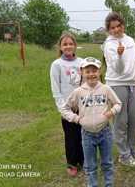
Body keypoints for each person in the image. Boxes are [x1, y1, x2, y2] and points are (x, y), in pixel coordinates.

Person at [61, 57, 121, 187]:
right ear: (82, 73)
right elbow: (64, 109)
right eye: (87, 71)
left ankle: (109, 184)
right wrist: (76, 118)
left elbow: (118, 104)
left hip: (105, 132)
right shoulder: (78, 92)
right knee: (90, 165)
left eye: (94, 70)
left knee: (107, 163)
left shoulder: (106, 89)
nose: (91, 74)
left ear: (99, 72)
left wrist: (111, 112)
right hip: (87, 134)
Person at [102, 11, 135, 166]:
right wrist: (120, 55)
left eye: (118, 26)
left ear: (123, 25)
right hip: (116, 83)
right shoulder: (109, 45)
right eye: (112, 28)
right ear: (109, 30)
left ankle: (133, 150)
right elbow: (118, 69)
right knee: (121, 121)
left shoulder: (130, 40)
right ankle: (124, 155)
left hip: (132, 83)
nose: (116, 30)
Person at [50, 31, 84, 177]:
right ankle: (72, 163)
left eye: (71, 44)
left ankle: (84, 160)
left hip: (82, 106)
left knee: (84, 134)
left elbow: (86, 83)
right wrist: (63, 108)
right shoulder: (56, 64)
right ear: (60, 46)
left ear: (75, 46)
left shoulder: (81, 62)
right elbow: (56, 89)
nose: (68, 46)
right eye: (65, 44)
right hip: (67, 108)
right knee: (71, 136)